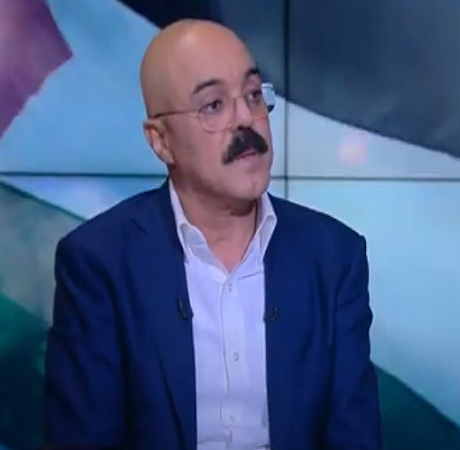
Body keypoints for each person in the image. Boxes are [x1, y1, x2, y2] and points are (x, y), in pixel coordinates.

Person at [44, 19, 381, 450]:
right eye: (213, 106)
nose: (246, 119)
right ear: (161, 141)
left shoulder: (333, 257)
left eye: (253, 95)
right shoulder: (100, 263)